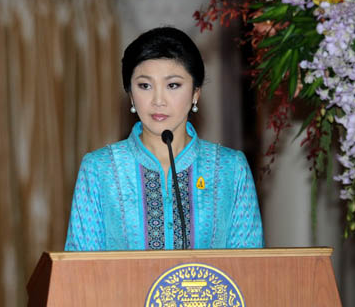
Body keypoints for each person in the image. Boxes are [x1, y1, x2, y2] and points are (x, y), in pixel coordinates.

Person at [64, 26, 264, 251]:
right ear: (130, 93)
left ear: (195, 92)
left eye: (173, 85)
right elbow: (79, 271)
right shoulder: (100, 168)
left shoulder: (231, 168)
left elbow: (248, 270)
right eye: (145, 86)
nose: (158, 100)